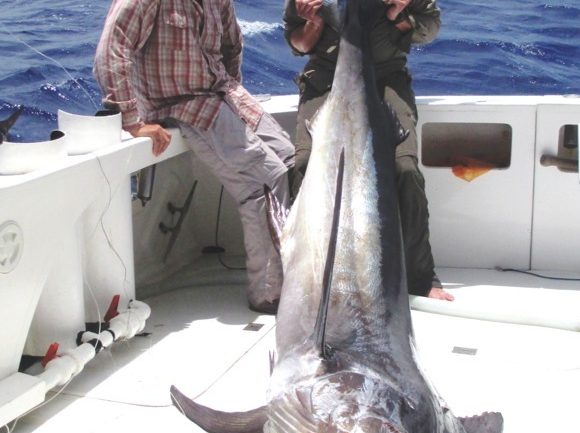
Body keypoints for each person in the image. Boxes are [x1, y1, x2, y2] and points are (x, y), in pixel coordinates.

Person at [94, 0, 294, 314]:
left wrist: (232, 97)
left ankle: (299, 276)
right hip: (179, 105)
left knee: (291, 162)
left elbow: (232, 44)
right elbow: (111, 49)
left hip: (224, 96)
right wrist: (132, 121)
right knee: (264, 181)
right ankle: (268, 293)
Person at [283, 0, 454, 300]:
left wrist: (398, 15)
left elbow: (430, 30)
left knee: (405, 169)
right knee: (306, 163)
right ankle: (307, 274)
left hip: (386, 80)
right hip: (326, 81)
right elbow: (297, 44)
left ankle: (420, 277)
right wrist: (313, 23)